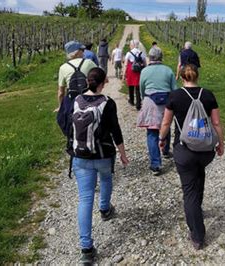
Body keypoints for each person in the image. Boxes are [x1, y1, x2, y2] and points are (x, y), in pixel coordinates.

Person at [159, 64, 225, 250]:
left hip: (184, 149)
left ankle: (197, 236)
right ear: (197, 76)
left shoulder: (175, 96)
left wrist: (161, 139)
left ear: (181, 77)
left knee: (189, 191)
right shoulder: (208, 95)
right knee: (199, 174)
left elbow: (166, 122)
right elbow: (217, 122)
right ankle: (198, 209)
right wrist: (221, 143)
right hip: (205, 150)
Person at [72, 67, 129, 264]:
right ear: (104, 82)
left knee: (85, 199)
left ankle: (86, 248)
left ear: (88, 81)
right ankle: (105, 209)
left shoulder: (76, 101)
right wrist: (122, 153)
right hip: (104, 154)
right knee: (106, 179)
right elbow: (116, 130)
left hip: (81, 156)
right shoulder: (108, 103)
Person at [137, 47, 176, 175]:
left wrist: (144, 99)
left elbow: (141, 88)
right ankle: (165, 150)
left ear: (150, 57)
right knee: (166, 126)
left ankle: (155, 164)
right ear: (161, 57)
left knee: (152, 131)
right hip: (166, 101)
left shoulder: (145, 71)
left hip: (150, 101)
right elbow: (174, 89)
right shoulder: (168, 70)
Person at [55, 40, 97, 112]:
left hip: (73, 102)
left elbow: (61, 93)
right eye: (82, 50)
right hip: (89, 99)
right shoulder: (89, 63)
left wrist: (60, 107)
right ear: (77, 52)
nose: (84, 52)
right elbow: (102, 78)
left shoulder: (63, 67)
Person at [124, 39, 146, 110]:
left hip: (131, 72)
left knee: (130, 86)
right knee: (138, 88)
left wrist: (124, 74)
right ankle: (138, 104)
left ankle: (131, 100)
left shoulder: (129, 53)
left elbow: (126, 64)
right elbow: (145, 63)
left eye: (130, 45)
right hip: (139, 72)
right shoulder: (141, 53)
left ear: (133, 45)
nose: (130, 46)